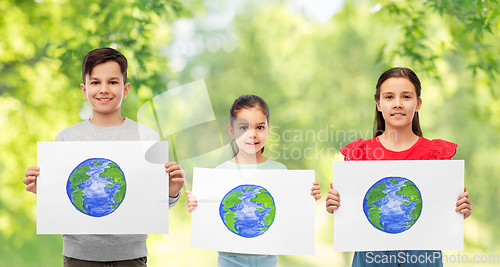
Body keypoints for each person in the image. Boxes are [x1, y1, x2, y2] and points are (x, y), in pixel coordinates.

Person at [22, 48, 185, 267]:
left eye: (113, 82)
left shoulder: (146, 137)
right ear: (84, 89)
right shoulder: (66, 138)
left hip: (130, 256)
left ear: (125, 89)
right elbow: (62, 200)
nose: (104, 89)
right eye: (95, 82)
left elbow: (152, 205)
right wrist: (43, 190)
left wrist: (171, 191)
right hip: (78, 256)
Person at [325, 67, 472, 267]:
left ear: (418, 103)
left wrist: (458, 211)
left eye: (406, 97)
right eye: (389, 97)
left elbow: (440, 215)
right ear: (378, 104)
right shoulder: (359, 154)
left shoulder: (437, 154)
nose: (397, 104)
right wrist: (336, 205)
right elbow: (353, 215)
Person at [185, 94, 322, 267]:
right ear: (231, 131)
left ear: (268, 128)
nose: (252, 134)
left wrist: (309, 197)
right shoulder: (220, 174)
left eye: (259, 127)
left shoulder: (280, 172)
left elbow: (292, 212)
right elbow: (210, 217)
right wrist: (196, 205)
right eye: (243, 128)